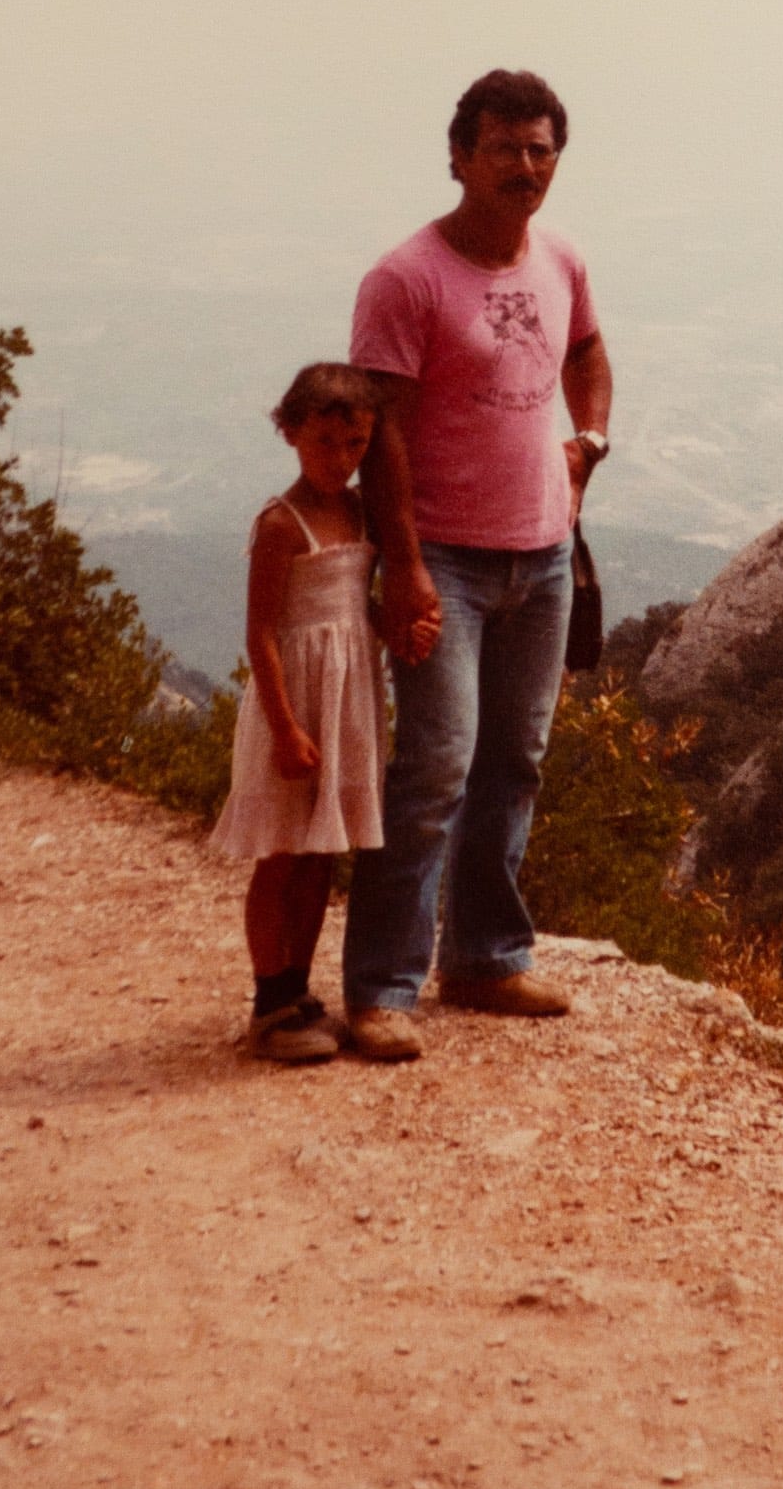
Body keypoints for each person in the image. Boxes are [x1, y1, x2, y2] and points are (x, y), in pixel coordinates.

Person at [338, 69, 613, 1061]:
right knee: (434, 769)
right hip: (443, 558)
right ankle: (379, 987)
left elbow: (587, 352)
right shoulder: (405, 278)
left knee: (513, 760)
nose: (525, 166)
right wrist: (401, 568)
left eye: (540, 149)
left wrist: (587, 442)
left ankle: (486, 958)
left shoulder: (561, 259)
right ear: (458, 156)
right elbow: (382, 432)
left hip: (540, 552)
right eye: (503, 147)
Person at [210, 363, 390, 1063]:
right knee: (282, 854)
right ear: (289, 434)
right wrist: (285, 727)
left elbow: (355, 606)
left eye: (355, 445)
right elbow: (260, 632)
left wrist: (401, 620)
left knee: (323, 853)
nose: (341, 461)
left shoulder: (356, 511)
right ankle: (267, 1000)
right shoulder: (280, 524)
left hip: (345, 702)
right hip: (295, 705)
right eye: (325, 444)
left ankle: (299, 988)